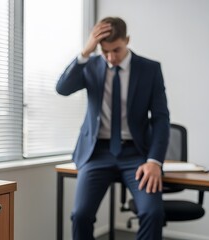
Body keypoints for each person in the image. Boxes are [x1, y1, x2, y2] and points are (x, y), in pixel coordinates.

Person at [56, 17, 170, 240]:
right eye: (105, 51)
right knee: (80, 215)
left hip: (137, 154)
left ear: (127, 40)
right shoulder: (90, 64)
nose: (111, 57)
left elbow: (161, 119)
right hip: (96, 153)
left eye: (116, 50)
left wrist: (154, 161)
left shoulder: (150, 69)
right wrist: (86, 51)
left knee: (152, 213)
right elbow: (62, 88)